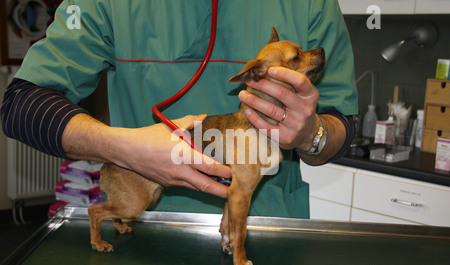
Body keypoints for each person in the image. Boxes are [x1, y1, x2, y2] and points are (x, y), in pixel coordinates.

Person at [1, 0, 357, 218]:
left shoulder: (311, 2)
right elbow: (21, 103)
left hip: (269, 228)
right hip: (147, 230)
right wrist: (121, 147)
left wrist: (312, 135)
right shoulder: (104, 3)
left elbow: (343, 125)